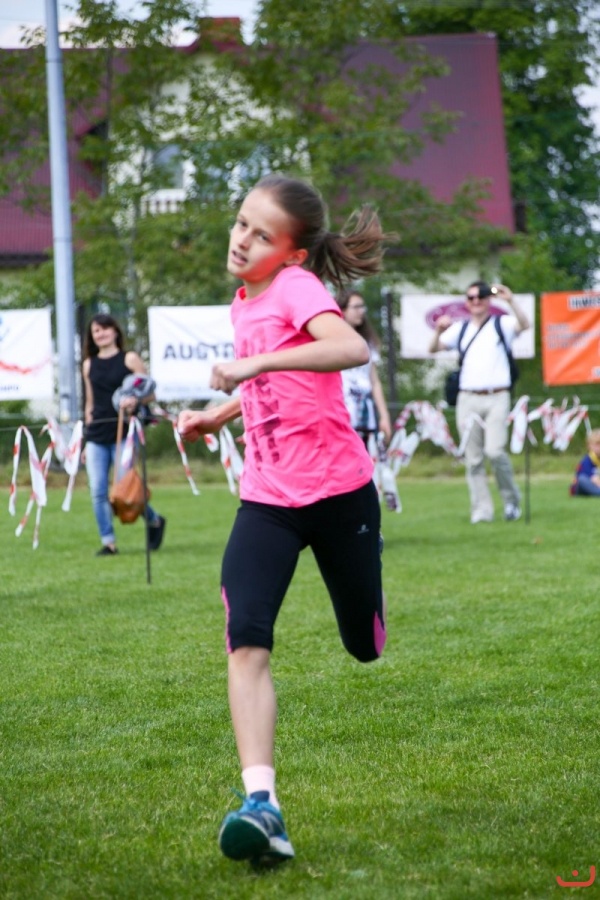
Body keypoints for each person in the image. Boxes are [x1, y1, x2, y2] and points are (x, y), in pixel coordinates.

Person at [177, 173, 388, 866]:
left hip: (338, 494)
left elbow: (350, 349)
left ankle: (369, 599)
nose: (242, 240)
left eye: (261, 234)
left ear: (293, 254)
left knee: (362, 646)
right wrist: (221, 414)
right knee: (245, 639)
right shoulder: (245, 301)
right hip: (267, 498)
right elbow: (272, 383)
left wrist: (253, 363)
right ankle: (261, 803)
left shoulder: (297, 288)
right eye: (242, 223)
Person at [428, 281, 529, 524]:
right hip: (468, 398)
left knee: (495, 451)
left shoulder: (501, 324)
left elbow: (524, 325)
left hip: (497, 396)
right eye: (471, 297)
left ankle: (511, 501)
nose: (476, 301)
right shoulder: (461, 329)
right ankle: (482, 510)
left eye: (481, 296)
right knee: (473, 458)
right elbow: (433, 349)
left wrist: (510, 300)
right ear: (466, 301)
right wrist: (438, 330)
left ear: (488, 300)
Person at [82, 313, 166, 556]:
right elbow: (90, 403)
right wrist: (86, 438)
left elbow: (150, 392)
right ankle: (108, 542)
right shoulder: (88, 364)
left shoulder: (130, 359)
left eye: (105, 328)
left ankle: (154, 520)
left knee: (125, 489)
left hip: (124, 434)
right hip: (96, 434)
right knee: (98, 490)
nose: (101, 334)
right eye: (96, 330)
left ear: (115, 331)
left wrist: (135, 400)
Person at [336, 288, 392, 445]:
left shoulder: (367, 341)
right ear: (343, 310)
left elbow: (374, 381)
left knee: (367, 453)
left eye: (362, 307)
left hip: (365, 409)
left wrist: (384, 416)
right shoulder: (332, 341)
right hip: (343, 408)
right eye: (356, 307)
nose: (361, 311)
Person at [571, 429, 600, 496]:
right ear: (589, 446)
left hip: (596, 486)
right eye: (597, 444)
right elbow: (594, 479)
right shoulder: (587, 460)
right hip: (583, 486)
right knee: (582, 480)